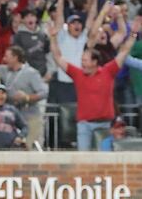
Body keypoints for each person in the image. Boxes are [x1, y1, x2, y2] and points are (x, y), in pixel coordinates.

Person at [50, 18, 135, 150]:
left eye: (85, 60)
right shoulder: (77, 74)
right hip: (84, 125)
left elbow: (124, 52)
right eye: (82, 60)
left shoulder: (108, 71)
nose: (82, 63)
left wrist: (133, 34)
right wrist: (53, 38)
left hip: (106, 124)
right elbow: (57, 57)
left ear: (95, 62)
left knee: (105, 158)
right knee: (83, 159)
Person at [0, 45, 48, 149]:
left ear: (15, 57)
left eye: (7, 56)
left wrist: (27, 98)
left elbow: (43, 92)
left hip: (30, 118)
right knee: (15, 150)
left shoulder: (31, 73)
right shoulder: (6, 70)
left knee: (30, 148)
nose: (4, 59)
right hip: (13, 119)